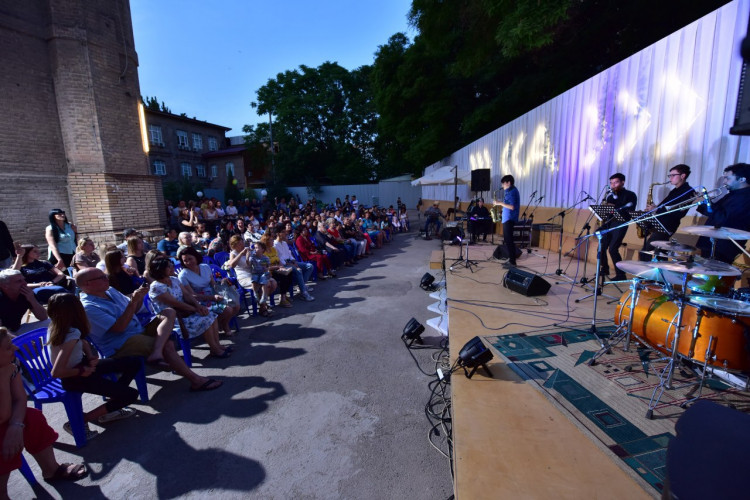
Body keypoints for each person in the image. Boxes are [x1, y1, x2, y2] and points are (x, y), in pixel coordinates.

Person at [76, 268, 222, 391]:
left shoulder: (110, 291)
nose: (106, 278)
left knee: (169, 312)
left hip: (137, 329)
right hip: (120, 343)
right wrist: (133, 303)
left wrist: (139, 298)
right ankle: (195, 380)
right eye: (101, 277)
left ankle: (156, 353)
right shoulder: (88, 307)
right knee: (167, 344)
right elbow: (119, 328)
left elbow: (135, 310)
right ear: (87, 284)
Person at [0, 327, 88, 490]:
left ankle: (51, 470)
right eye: (8, 347)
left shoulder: (11, 363)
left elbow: (20, 398)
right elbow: (2, 415)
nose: (15, 348)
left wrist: (15, 425)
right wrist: (3, 378)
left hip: (6, 413)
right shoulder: (6, 370)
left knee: (33, 417)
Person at [48, 294, 139, 439]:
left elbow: (82, 342)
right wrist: (82, 370)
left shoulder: (58, 325)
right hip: (74, 377)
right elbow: (57, 372)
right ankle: (79, 421)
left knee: (133, 361)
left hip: (82, 366)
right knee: (131, 395)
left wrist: (90, 356)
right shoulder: (71, 333)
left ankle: (113, 403)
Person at [149, 258, 230, 358]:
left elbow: (187, 295)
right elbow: (176, 303)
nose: (172, 268)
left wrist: (198, 306)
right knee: (205, 319)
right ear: (160, 269)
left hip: (187, 311)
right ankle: (214, 348)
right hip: (173, 318)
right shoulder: (156, 287)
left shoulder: (174, 280)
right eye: (168, 266)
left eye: (171, 265)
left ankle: (217, 345)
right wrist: (196, 309)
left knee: (210, 314)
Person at [177, 246, 240, 336]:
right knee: (228, 310)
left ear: (196, 257)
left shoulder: (205, 267)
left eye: (190, 259)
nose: (188, 262)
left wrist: (221, 286)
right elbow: (192, 295)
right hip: (200, 300)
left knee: (236, 305)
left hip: (213, 293)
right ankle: (223, 325)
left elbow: (213, 284)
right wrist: (212, 297)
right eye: (185, 260)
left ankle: (221, 323)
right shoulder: (183, 275)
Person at [696, 163, 750, 264]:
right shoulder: (733, 195)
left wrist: (705, 203)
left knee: (712, 278)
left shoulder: (745, 198)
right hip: (713, 244)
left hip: (723, 247)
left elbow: (722, 218)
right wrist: (704, 202)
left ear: (742, 179)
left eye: (727, 178)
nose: (724, 182)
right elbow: (715, 211)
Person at [639, 164, 694, 261]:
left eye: (673, 175)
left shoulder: (688, 191)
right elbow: (666, 206)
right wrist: (655, 208)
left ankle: (644, 275)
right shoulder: (675, 191)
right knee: (661, 252)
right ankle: (659, 274)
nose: (670, 178)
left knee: (646, 250)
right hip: (662, 223)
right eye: (670, 175)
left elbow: (679, 212)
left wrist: (657, 209)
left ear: (683, 176)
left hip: (668, 225)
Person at [599, 173, 638, 280]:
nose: (613, 185)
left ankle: (621, 275)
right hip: (609, 223)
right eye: (611, 183)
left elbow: (630, 211)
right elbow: (609, 211)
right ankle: (605, 269)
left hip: (621, 224)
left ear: (622, 182)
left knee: (613, 249)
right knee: (601, 247)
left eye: (616, 182)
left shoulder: (630, 195)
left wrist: (614, 206)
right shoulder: (610, 196)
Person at [0, 269, 48, 335]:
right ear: (5, 286)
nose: (25, 283)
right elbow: (1, 330)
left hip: (17, 329)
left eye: (23, 280)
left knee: (51, 323)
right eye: (19, 281)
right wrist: (18, 340)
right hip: (3, 334)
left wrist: (32, 299)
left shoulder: (25, 293)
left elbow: (43, 317)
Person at [272, 229, 315, 301]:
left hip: (290, 262)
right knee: (298, 270)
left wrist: (294, 261)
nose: (286, 234)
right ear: (278, 234)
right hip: (284, 265)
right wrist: (292, 264)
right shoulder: (274, 245)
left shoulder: (284, 243)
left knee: (309, 266)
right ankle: (303, 292)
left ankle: (302, 286)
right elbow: (279, 260)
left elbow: (289, 255)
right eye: (283, 232)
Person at [495, 175, 521, 268]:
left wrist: (500, 203)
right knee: (507, 240)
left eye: (503, 183)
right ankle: (511, 260)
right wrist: (502, 211)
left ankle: (513, 262)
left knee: (509, 240)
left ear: (508, 183)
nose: (502, 185)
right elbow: (508, 205)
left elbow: (512, 206)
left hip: (510, 219)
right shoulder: (509, 191)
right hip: (507, 218)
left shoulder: (513, 191)